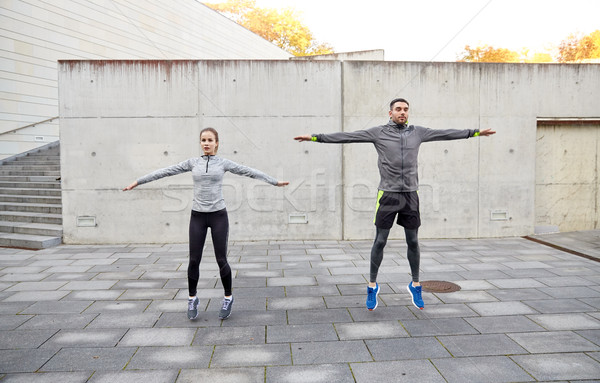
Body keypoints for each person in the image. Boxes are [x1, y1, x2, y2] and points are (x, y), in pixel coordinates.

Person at [294, 98, 495, 311]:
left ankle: (415, 284)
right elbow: (347, 137)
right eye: (398, 109)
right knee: (380, 241)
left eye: (406, 110)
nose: (403, 112)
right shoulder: (378, 133)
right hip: (388, 195)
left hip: (410, 195)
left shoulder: (418, 132)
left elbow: (446, 133)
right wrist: (315, 137)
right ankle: (372, 286)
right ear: (390, 113)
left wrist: (475, 132)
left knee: (413, 242)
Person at [124, 127, 289, 320]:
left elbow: (249, 172)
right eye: (203, 140)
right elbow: (165, 172)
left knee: (221, 260)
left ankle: (228, 297)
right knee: (194, 260)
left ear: (217, 142)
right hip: (198, 217)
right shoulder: (192, 163)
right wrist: (138, 181)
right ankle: (192, 298)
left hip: (219, 216)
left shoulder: (223, 163)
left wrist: (274, 182)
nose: (206, 143)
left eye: (210, 140)